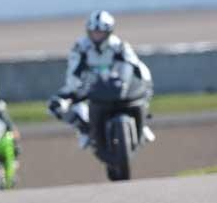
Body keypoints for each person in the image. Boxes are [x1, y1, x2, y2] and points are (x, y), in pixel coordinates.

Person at [48, 10, 154, 148]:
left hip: (118, 86)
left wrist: (140, 84)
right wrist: (76, 90)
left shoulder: (119, 46)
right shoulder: (81, 47)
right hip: (90, 87)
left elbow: (135, 65)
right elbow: (73, 72)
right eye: (94, 32)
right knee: (55, 105)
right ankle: (86, 129)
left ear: (109, 32)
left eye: (101, 32)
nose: (97, 36)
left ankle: (141, 123)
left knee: (141, 93)